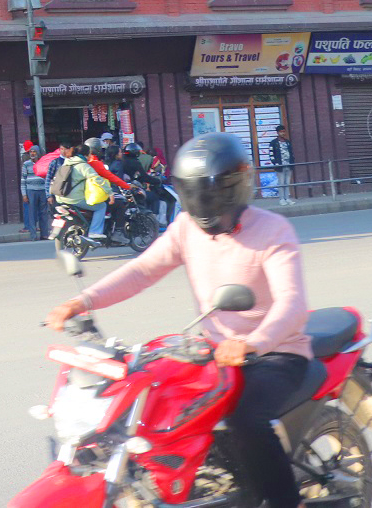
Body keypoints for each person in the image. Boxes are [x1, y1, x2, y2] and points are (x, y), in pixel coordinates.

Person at [47, 132, 310, 508]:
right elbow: (142, 270)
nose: (204, 206)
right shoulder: (187, 227)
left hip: (275, 352)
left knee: (246, 419)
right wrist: (83, 301)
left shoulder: (273, 230)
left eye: (212, 195)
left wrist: (254, 342)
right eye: (195, 194)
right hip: (216, 352)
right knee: (158, 405)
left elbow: (292, 303)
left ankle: (286, 501)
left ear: (235, 188)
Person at [21, 144, 50, 240]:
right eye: (31, 152)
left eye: (34, 152)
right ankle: (33, 235)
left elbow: (47, 178)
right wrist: (24, 194)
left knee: (43, 213)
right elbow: (23, 180)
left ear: (38, 153)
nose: (32, 153)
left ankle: (44, 234)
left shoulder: (43, 163)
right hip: (31, 191)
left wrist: (48, 193)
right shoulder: (26, 164)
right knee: (32, 214)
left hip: (42, 191)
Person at [266, 125, 296, 205]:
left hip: (288, 165)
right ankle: (281, 199)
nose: (283, 133)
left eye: (284, 131)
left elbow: (291, 152)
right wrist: (275, 163)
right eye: (281, 132)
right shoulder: (273, 143)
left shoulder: (287, 142)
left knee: (287, 183)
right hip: (280, 166)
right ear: (277, 133)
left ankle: (287, 198)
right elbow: (271, 154)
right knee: (281, 183)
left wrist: (292, 161)